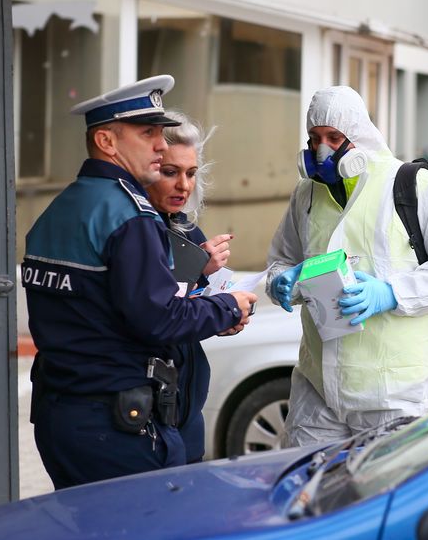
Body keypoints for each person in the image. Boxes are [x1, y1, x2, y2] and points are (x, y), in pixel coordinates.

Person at [23, 75, 257, 489]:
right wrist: (227, 306)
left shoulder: (61, 207)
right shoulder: (130, 215)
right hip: (115, 423)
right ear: (107, 142)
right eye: (147, 133)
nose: (160, 144)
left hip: (62, 412)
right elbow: (158, 319)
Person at [266, 86, 428, 446]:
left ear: (358, 136)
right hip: (318, 386)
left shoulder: (417, 186)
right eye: (314, 138)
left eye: (334, 137)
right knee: (308, 491)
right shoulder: (306, 194)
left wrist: (390, 293)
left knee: (383, 497)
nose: (321, 150)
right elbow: (282, 259)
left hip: (392, 392)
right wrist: (280, 282)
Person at [145, 109, 232, 463]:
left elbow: (194, 307)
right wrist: (198, 270)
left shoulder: (184, 228)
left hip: (186, 406)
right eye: (171, 172)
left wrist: (229, 311)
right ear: (147, 167)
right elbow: (156, 311)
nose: (184, 185)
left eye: (191, 173)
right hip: (149, 411)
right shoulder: (135, 228)